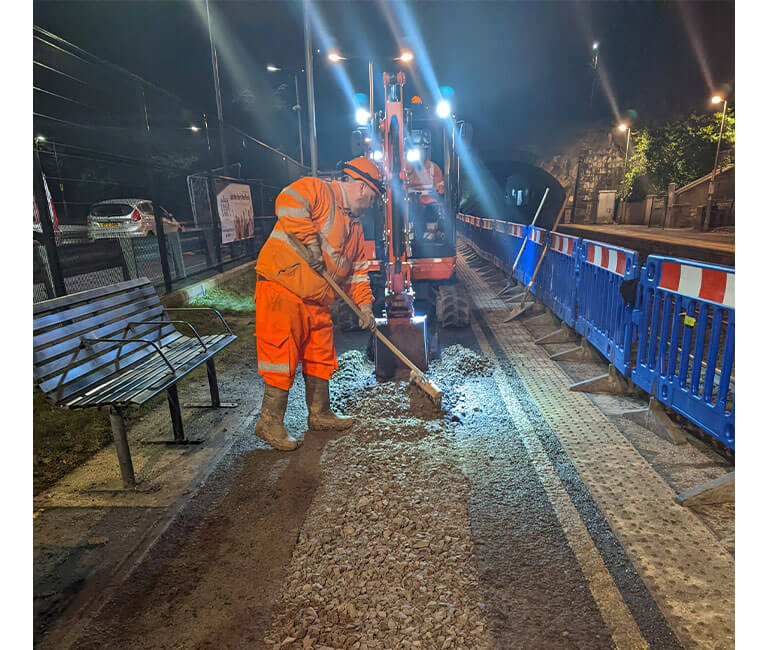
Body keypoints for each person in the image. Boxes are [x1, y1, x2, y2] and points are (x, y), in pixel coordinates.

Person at [253, 158, 382, 451]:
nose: (372, 205)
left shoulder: (355, 229)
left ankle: (320, 413)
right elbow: (288, 200)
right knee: (280, 357)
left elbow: (359, 273)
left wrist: (365, 307)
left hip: (316, 299)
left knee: (320, 355)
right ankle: (269, 424)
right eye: (373, 198)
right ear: (362, 187)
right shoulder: (319, 190)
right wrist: (310, 242)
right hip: (282, 287)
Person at [405, 139, 445, 241]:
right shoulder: (405, 168)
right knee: (405, 208)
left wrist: (439, 190)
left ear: (425, 152)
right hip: (411, 200)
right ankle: (409, 231)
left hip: (428, 200)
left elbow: (440, 187)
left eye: (420, 151)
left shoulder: (433, 168)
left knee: (431, 207)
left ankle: (430, 231)